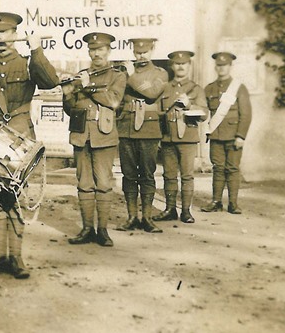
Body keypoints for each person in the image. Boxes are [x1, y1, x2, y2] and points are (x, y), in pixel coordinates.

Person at [0, 12, 59, 279]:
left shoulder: (27, 63)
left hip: (20, 136)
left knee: (16, 196)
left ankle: (17, 258)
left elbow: (51, 81)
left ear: (15, 35)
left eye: (5, 32)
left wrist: (37, 50)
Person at [62, 33, 127, 247]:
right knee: (84, 183)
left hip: (104, 136)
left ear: (109, 51)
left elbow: (114, 101)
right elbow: (72, 110)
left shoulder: (117, 75)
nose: (96, 53)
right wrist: (67, 94)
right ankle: (87, 228)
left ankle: (103, 231)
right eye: (92, 50)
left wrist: (87, 86)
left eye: (100, 49)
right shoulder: (80, 75)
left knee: (104, 183)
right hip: (81, 135)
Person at [115, 38, 167, 232]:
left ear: (153, 50)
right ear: (133, 51)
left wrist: (130, 76)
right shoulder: (125, 72)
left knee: (147, 174)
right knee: (128, 175)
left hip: (148, 130)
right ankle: (131, 217)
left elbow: (152, 93)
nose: (141, 56)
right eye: (137, 53)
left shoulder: (160, 73)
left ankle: (146, 218)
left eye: (145, 52)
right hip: (127, 128)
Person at [154, 51, 208, 224]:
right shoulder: (165, 87)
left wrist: (190, 104)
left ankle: (186, 211)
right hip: (168, 137)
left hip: (187, 137)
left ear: (189, 66)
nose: (180, 67)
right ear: (172, 66)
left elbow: (205, 113)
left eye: (184, 64)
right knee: (168, 175)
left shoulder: (196, 89)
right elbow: (158, 112)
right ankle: (170, 209)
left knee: (186, 176)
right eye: (177, 64)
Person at [202, 52, 252, 215]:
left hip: (233, 136)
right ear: (215, 67)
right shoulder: (209, 88)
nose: (221, 68)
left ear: (230, 67)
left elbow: (245, 114)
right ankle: (216, 201)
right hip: (216, 135)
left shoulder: (238, 87)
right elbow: (204, 111)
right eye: (218, 65)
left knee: (232, 168)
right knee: (218, 168)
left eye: (224, 65)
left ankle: (233, 203)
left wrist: (241, 136)